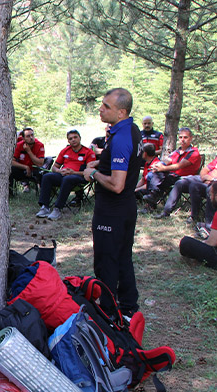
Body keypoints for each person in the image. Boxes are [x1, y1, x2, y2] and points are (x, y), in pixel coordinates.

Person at [82, 88, 141, 317]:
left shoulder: (123, 137)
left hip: (112, 211)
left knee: (107, 261)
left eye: (107, 106)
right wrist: (101, 164)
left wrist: (93, 174)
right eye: (102, 104)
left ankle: (108, 311)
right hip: (126, 208)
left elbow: (117, 184)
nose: (101, 108)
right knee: (123, 257)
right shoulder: (129, 129)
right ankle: (128, 307)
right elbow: (125, 163)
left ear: (122, 112)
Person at [155, 139, 217, 221]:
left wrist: (213, 180)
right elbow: (205, 169)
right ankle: (166, 212)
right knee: (180, 183)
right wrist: (204, 178)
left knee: (195, 186)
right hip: (204, 179)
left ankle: (195, 216)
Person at [36, 130, 95, 220]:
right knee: (47, 176)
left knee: (68, 179)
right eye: (70, 138)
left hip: (79, 176)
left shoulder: (88, 152)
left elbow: (90, 172)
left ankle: (57, 208)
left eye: (75, 137)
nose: (73, 140)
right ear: (68, 141)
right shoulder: (65, 151)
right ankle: (45, 207)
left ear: (80, 138)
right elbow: (54, 167)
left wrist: (73, 172)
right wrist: (60, 171)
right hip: (64, 175)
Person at [142, 127, 201, 208]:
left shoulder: (194, 152)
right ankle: (151, 201)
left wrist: (163, 168)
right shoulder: (177, 151)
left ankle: (153, 196)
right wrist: (158, 165)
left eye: (185, 137)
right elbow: (167, 160)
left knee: (158, 175)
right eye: (180, 137)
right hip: (172, 176)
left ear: (191, 138)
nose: (182, 140)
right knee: (151, 174)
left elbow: (180, 165)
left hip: (185, 179)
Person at [10, 127, 45, 193]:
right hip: (22, 169)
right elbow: (12, 161)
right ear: (23, 138)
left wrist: (29, 151)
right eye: (28, 136)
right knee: (10, 169)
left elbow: (40, 163)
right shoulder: (19, 145)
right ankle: (11, 193)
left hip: (35, 169)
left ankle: (42, 191)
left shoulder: (40, 145)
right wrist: (25, 167)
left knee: (43, 173)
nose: (31, 138)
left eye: (32, 135)